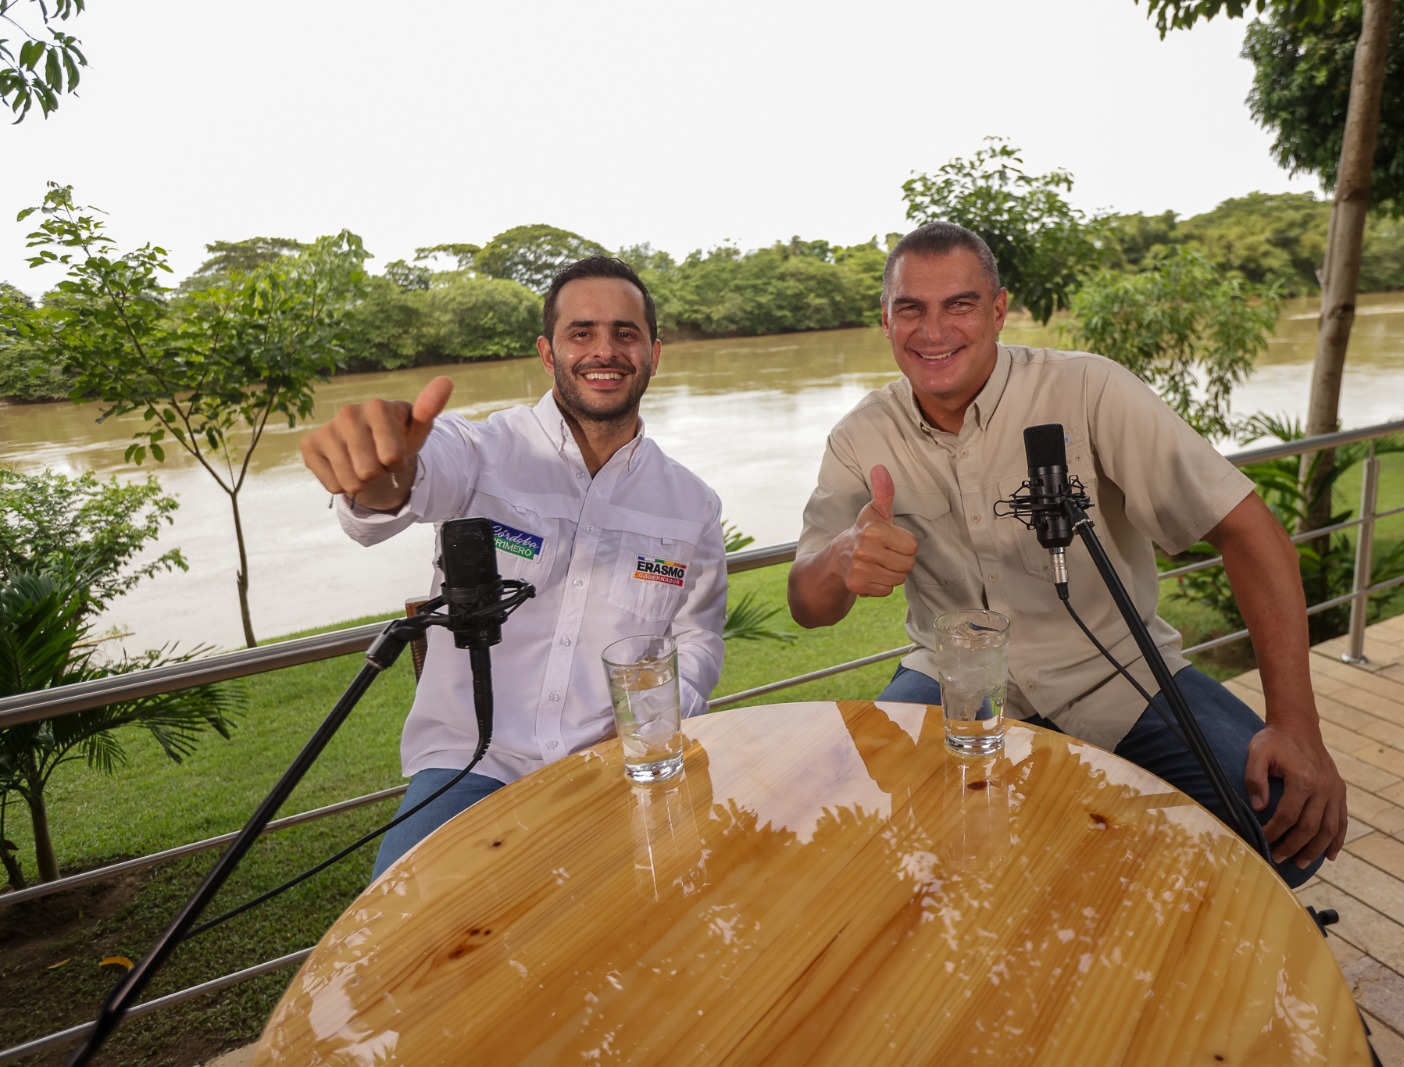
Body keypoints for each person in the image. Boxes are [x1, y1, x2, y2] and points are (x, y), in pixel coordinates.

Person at [787, 222, 1345, 887]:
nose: (932, 330)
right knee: (872, 836)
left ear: (997, 310)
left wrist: (1296, 726)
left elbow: (1250, 531)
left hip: (1116, 668)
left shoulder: (1087, 390)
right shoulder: (860, 437)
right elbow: (807, 604)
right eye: (911, 309)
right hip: (952, 677)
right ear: (886, 320)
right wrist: (843, 555)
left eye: (959, 304)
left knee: (1288, 826)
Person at [301, 256, 728, 877]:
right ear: (547, 352)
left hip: (617, 769)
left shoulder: (691, 504)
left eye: (625, 333)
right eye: (580, 332)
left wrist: (652, 722)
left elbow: (697, 637)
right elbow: (408, 483)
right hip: (469, 768)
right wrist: (381, 477)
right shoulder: (483, 452)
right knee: (400, 942)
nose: (603, 350)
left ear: (654, 354)